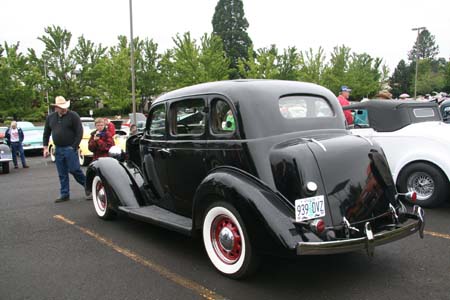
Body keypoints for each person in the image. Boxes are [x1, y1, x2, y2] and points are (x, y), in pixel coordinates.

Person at [42, 96, 86, 203]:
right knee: (62, 173)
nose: (64, 109)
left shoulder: (73, 115)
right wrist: (45, 147)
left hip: (70, 148)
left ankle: (88, 186)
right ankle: (64, 194)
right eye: (61, 107)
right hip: (58, 149)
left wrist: (73, 147)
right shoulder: (51, 117)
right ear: (56, 108)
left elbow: (79, 132)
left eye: (64, 107)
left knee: (74, 169)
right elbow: (46, 133)